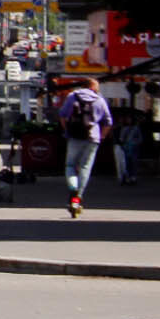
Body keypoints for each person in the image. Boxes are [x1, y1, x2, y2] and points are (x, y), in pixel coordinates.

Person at [57, 83, 113, 218]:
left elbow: (62, 115)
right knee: (85, 167)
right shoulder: (99, 99)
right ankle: (78, 198)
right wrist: (102, 136)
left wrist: (67, 131)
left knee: (70, 165)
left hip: (74, 137)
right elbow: (108, 122)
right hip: (92, 138)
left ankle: (73, 189)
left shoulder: (72, 96)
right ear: (94, 88)